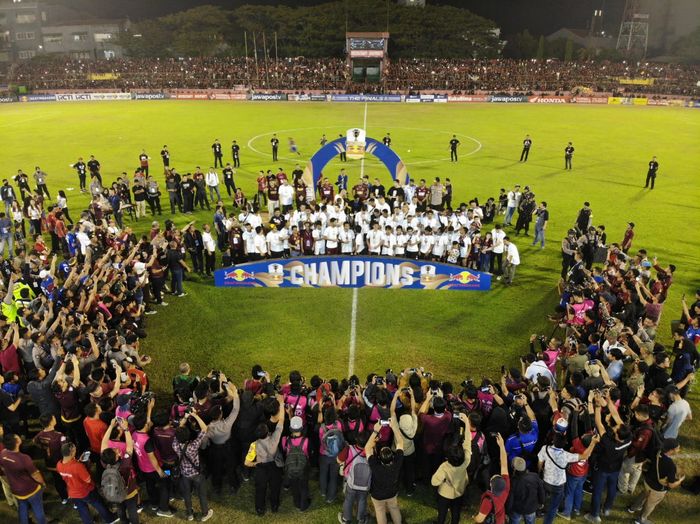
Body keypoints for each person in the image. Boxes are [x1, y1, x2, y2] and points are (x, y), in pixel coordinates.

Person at [539, 432, 599, 524]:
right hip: (559, 485)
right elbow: (585, 456)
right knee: (554, 506)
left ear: (553, 441)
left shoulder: (545, 449)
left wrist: (540, 471)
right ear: (564, 444)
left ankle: (542, 506)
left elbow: (540, 463)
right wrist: (593, 443)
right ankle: (549, 519)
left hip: (546, 481)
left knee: (546, 496)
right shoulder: (567, 455)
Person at [56, 441, 117, 524]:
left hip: (72, 492)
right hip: (86, 491)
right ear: (71, 453)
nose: (76, 451)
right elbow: (87, 479)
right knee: (98, 503)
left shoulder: (59, 465)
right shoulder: (77, 466)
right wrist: (86, 466)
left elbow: (69, 472)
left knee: (82, 509)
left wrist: (78, 462)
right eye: (74, 450)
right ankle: (110, 519)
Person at [245, 395, 284, 516]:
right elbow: (281, 421)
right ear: (268, 432)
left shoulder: (254, 445)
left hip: (261, 467)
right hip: (274, 466)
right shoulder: (274, 438)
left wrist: (256, 463)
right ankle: (274, 506)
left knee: (260, 489)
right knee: (275, 487)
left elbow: (246, 463)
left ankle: (260, 509)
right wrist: (281, 404)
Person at [628, 438, 684, 524]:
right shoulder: (670, 465)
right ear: (671, 450)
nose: (679, 449)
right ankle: (641, 520)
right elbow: (671, 485)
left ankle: (632, 508)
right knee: (650, 504)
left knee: (644, 494)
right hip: (657, 489)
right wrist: (680, 481)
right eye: (677, 448)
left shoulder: (657, 452)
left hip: (648, 481)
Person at [431, 413, 472, 524]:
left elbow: (434, 482)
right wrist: (467, 422)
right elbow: (468, 441)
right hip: (459, 492)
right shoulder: (466, 461)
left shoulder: (444, 467)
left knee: (442, 513)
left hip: (445, 493)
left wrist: (444, 480)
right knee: (456, 512)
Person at [173, 411, 213, 522]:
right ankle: (205, 513)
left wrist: (184, 419)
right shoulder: (193, 446)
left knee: (187, 494)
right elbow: (204, 429)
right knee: (202, 494)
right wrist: (195, 415)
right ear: (188, 436)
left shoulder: (175, 444)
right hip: (197, 474)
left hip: (184, 474)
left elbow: (177, 433)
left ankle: (189, 514)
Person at [0, 432, 47, 524]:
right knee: (38, 510)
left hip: (16, 490)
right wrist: (43, 483)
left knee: (22, 508)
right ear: (17, 442)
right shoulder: (24, 458)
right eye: (17, 436)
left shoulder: (2, 454)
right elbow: (35, 475)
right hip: (31, 490)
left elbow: (3, 468)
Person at [100, 418, 139, 524]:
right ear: (117, 458)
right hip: (129, 490)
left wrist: (111, 426)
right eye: (116, 452)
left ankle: (123, 521)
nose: (117, 450)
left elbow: (104, 442)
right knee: (132, 509)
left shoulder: (104, 461)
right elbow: (130, 447)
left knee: (120, 508)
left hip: (116, 492)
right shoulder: (125, 464)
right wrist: (126, 429)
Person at [366, 416, 403, 524]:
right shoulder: (397, 463)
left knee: (380, 511)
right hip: (392, 492)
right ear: (392, 457)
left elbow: (368, 448)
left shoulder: (375, 466)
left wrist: (375, 431)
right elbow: (400, 442)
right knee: (394, 508)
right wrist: (395, 428)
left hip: (377, 494)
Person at [473, 433, 509, 524]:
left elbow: (480, 519)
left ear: (491, 486)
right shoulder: (506, 487)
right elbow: (504, 464)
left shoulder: (488, 501)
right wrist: (501, 445)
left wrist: (474, 517)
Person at [508, 457, 545, 524]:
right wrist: (541, 502)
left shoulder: (513, 482)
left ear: (514, 468)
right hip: (531, 508)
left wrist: (507, 510)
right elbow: (541, 491)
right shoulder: (534, 476)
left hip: (517, 509)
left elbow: (511, 499)